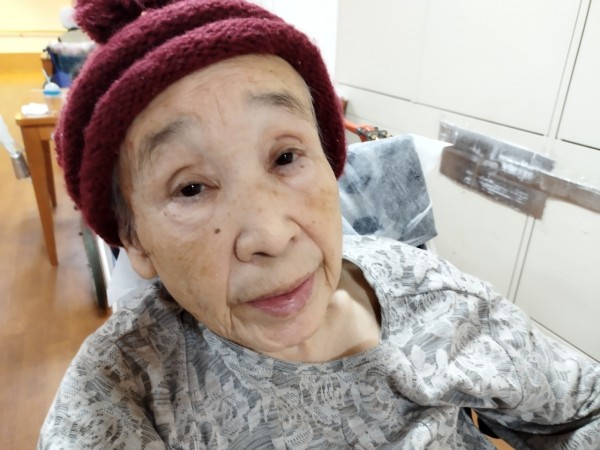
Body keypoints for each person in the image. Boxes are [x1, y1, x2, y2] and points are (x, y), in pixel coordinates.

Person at [39, 0, 600, 448]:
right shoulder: (123, 394)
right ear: (135, 239)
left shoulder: (433, 297)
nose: (271, 235)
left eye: (286, 157)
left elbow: (582, 411)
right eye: (191, 188)